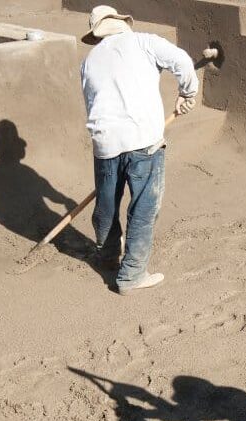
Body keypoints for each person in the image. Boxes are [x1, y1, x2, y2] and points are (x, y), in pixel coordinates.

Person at [80, 6, 198, 294]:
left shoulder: (90, 60)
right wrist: (188, 92)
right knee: (144, 206)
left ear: (96, 35)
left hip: (104, 142)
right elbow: (181, 60)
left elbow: (92, 101)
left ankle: (107, 255)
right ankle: (132, 274)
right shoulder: (144, 41)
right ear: (121, 24)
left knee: (107, 205)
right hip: (143, 139)